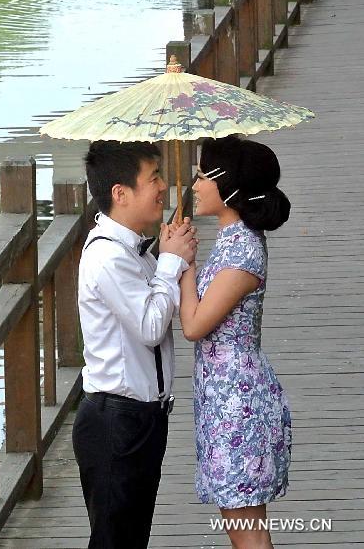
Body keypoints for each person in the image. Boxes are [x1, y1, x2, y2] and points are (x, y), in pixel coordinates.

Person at [73, 140, 198, 549]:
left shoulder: (134, 249)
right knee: (115, 540)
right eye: (154, 178)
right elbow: (150, 325)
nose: (162, 187)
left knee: (130, 537)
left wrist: (166, 255)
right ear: (120, 193)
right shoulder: (108, 257)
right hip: (116, 419)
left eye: (161, 175)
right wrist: (170, 262)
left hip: (142, 417)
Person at [178, 135, 292, 549]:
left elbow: (194, 325)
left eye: (203, 175)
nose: (195, 185)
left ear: (228, 187)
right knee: (240, 525)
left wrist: (183, 263)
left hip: (238, 402)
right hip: (221, 394)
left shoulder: (243, 251)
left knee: (248, 533)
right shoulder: (230, 239)